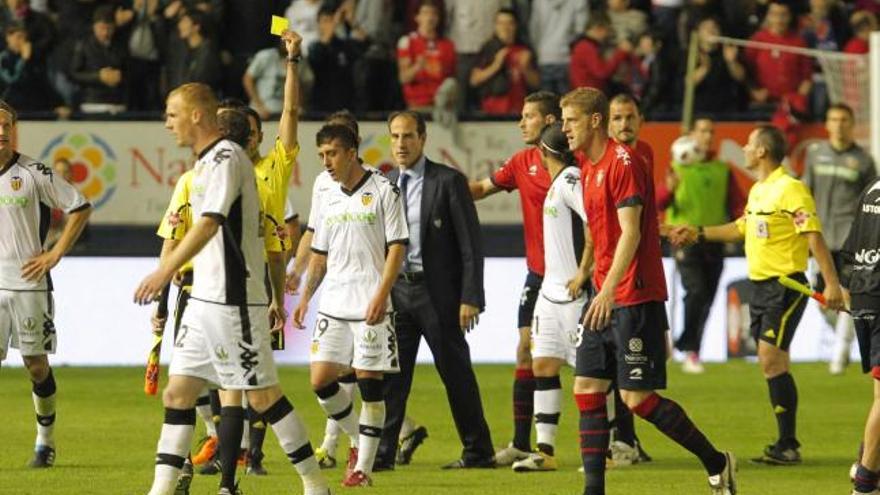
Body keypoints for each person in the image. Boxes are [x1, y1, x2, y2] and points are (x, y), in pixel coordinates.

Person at [133, 83, 329, 495]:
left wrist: (164, 270)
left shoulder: (227, 158)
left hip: (234, 300)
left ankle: (315, 486)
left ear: (197, 116)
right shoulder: (203, 165)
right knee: (178, 392)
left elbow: (209, 222)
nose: (167, 123)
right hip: (204, 300)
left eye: (172, 114)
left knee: (262, 398)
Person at [561, 87, 735, 495]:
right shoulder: (587, 163)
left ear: (594, 121)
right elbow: (612, 226)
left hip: (632, 295)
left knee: (636, 399)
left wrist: (607, 291)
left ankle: (716, 461)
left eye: (570, 120)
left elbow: (632, 231)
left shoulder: (625, 162)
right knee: (586, 388)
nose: (564, 128)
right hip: (605, 290)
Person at [670, 124, 844, 466]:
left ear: (762, 151)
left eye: (749, 144)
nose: (744, 150)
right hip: (760, 285)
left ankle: (788, 444)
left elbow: (813, 236)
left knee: (770, 357)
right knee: (772, 363)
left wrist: (831, 283)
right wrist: (699, 233)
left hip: (787, 284)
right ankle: (786, 443)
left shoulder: (791, 188)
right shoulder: (760, 190)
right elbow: (740, 227)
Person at [375, 110, 494, 471]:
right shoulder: (385, 183)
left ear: (423, 139)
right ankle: (382, 455)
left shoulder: (448, 181)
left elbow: (471, 246)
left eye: (408, 136)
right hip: (399, 293)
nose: (400, 144)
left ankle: (478, 452)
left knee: (456, 375)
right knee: (393, 379)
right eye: (395, 136)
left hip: (438, 296)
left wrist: (471, 296)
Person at [292, 123, 408, 488]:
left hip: (370, 303)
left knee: (369, 383)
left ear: (353, 151)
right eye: (322, 155)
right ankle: (359, 439)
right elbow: (320, 255)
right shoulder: (328, 195)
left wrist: (381, 294)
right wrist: (306, 297)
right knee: (320, 379)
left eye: (333, 153)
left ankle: (363, 469)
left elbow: (397, 248)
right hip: (334, 304)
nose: (326, 162)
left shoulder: (384, 190)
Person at [469, 90, 559, 466]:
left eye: (528, 116)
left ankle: (620, 441)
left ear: (550, 121)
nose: (521, 122)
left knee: (593, 363)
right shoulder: (522, 162)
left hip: (578, 276)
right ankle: (523, 444)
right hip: (538, 275)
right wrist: (436, 185)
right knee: (526, 349)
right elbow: (481, 189)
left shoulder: (576, 165)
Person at [0, 100, 91, 468]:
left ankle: (45, 440)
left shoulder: (33, 172)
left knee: (36, 365)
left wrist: (54, 254)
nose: (2, 131)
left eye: (7, 125)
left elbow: (80, 206)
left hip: (28, 284)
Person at [509, 122, 588, 473]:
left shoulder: (571, 180)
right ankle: (545, 451)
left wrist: (584, 272)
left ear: (543, 153)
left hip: (575, 294)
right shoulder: (561, 182)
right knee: (543, 365)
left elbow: (597, 222)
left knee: (590, 374)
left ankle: (607, 450)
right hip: (550, 292)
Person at [657, 116, 745, 374]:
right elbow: (659, 202)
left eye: (711, 131)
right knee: (694, 291)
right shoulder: (678, 167)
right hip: (683, 238)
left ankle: (693, 351)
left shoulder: (722, 169)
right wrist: (668, 188)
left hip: (713, 238)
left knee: (707, 296)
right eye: (702, 131)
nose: (707, 136)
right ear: (692, 135)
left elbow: (737, 203)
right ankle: (686, 345)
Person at [802, 103, 877, 375]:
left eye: (844, 119)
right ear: (826, 123)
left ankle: (840, 355)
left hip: (849, 238)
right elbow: (804, 192)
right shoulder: (815, 154)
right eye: (834, 119)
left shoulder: (864, 160)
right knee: (823, 299)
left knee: (847, 294)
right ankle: (844, 340)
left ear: (852, 123)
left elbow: (872, 200)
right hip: (819, 237)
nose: (839, 124)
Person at [603, 93, 656, 465]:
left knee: (624, 370)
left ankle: (626, 439)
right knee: (603, 370)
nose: (624, 124)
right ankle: (619, 440)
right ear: (606, 122)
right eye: (617, 117)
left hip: (637, 277)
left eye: (630, 116)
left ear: (640, 118)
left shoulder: (646, 154)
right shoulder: (607, 159)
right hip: (607, 276)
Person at [840, 176, 880, 495]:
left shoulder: (872, 185)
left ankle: (866, 461)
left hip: (864, 292)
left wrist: (848, 290)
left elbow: (851, 246)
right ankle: (866, 481)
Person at [469, 8, 539, 116]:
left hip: (521, 107)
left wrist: (526, 68)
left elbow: (537, 83)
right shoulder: (488, 48)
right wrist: (496, 65)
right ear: (495, 26)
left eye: (509, 23)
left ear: (516, 26)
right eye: (500, 23)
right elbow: (474, 80)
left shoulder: (524, 49)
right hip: (494, 108)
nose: (505, 28)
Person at [396, 0, 456, 111]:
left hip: (441, 107)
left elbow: (451, 78)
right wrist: (417, 67)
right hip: (417, 105)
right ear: (417, 17)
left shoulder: (448, 45)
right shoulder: (407, 42)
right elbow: (403, 78)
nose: (430, 17)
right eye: (425, 13)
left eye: (433, 14)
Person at [68, 5, 126, 114]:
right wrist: (98, 76)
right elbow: (74, 74)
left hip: (117, 103)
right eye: (101, 28)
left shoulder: (121, 45)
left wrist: (120, 76)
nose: (105, 33)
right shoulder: (83, 45)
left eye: (109, 28)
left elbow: (130, 70)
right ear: (94, 27)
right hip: (92, 103)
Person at [569, 12, 631, 94]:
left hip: (586, 93)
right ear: (599, 29)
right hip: (588, 95)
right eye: (607, 30)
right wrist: (621, 53)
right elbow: (602, 72)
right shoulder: (587, 47)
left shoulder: (583, 45)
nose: (607, 34)